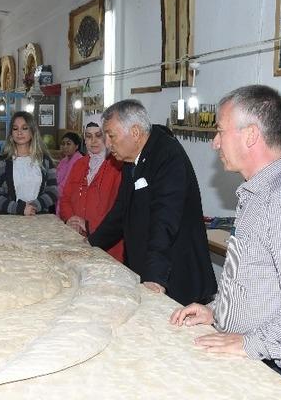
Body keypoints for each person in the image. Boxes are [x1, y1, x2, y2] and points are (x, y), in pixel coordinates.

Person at [169, 85, 281, 399]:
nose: (214, 142)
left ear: (249, 135)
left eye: (220, 131)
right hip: (256, 358)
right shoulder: (257, 193)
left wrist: (249, 344)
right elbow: (252, 280)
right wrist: (217, 311)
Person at [88, 99, 216, 306]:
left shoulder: (167, 156)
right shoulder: (131, 158)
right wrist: (92, 244)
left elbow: (164, 220)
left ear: (135, 133)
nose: (108, 144)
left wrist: (155, 276)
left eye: (111, 136)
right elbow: (121, 211)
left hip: (174, 275)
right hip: (146, 267)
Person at [58, 117, 124, 262]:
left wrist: (88, 225)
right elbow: (65, 198)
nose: (93, 140)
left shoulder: (118, 167)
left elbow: (118, 211)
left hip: (107, 246)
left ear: (107, 137)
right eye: (88, 136)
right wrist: (71, 219)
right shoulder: (79, 164)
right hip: (77, 239)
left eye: (98, 135)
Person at [0, 111, 58, 215]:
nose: (19, 132)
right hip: (8, 219)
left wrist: (34, 207)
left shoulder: (45, 160)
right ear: (11, 133)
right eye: (15, 128)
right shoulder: (1, 161)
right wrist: (19, 209)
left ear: (32, 131)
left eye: (25, 128)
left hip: (39, 218)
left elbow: (53, 191)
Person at [55, 131, 83, 197]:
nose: (65, 147)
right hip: (59, 195)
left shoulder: (79, 161)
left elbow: (67, 183)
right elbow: (56, 177)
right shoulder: (64, 160)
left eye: (68, 144)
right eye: (63, 144)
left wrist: (52, 192)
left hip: (72, 198)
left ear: (76, 146)